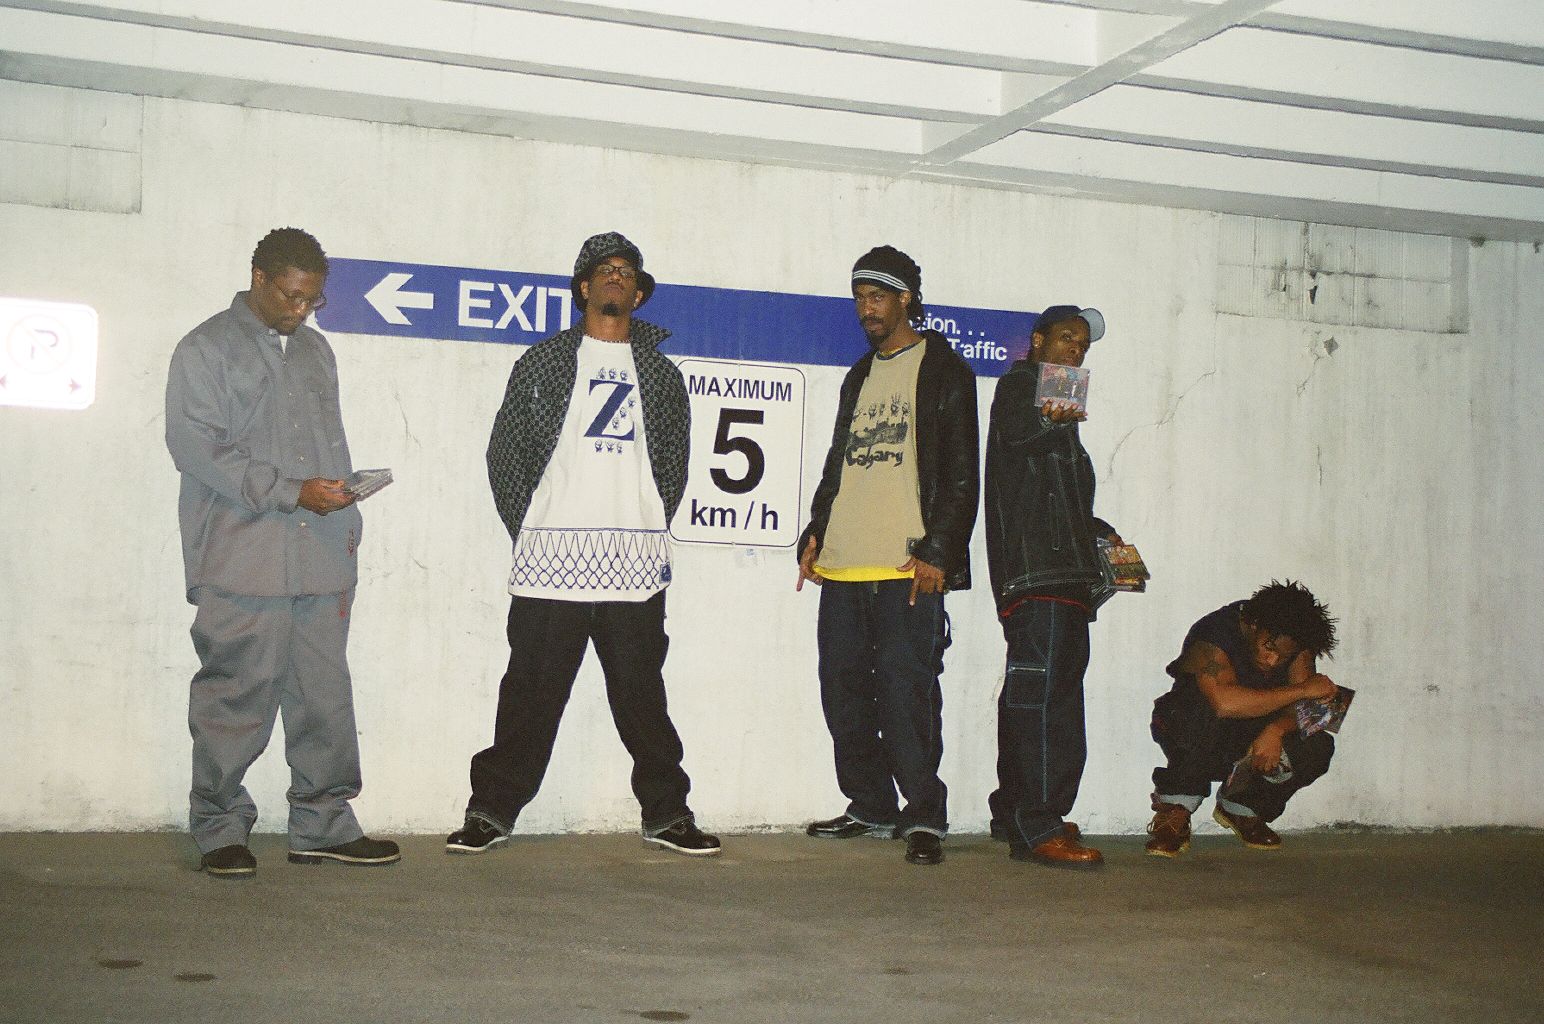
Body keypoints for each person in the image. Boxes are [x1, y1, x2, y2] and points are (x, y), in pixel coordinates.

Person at [446, 232, 720, 858]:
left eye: (628, 271)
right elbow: (505, 453)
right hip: (551, 566)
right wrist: (535, 528)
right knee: (529, 695)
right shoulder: (542, 362)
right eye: (605, 270)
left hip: (634, 566)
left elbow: (674, 464)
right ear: (584, 287)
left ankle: (667, 814)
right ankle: (490, 812)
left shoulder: (661, 374)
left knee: (643, 699)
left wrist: (644, 522)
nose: (617, 277)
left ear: (639, 293)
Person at [165, 227, 400, 878]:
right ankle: (218, 828)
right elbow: (196, 448)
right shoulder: (205, 348)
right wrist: (293, 492)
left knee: (325, 699)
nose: (301, 310)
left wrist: (343, 503)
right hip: (242, 559)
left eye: (312, 300)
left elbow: (328, 446)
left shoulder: (317, 353)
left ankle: (323, 824)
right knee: (234, 700)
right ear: (259, 279)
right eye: (291, 297)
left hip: (320, 558)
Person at [796, 246, 979, 867]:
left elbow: (962, 475)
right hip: (844, 563)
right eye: (859, 298)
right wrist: (816, 532)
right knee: (842, 694)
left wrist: (939, 552)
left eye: (877, 297)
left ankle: (924, 813)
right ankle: (871, 804)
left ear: (906, 298)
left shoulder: (944, 370)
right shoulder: (858, 376)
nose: (866, 309)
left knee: (908, 699)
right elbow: (839, 463)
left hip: (908, 568)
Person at [983, 304, 1118, 869]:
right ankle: (1038, 826)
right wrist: (1052, 418)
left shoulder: (1055, 414)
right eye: (1066, 338)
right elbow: (1021, 433)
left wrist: (1099, 533)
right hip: (1039, 576)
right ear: (1037, 341)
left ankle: (1015, 811)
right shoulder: (1023, 388)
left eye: (1082, 345)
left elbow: (1052, 496)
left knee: (1034, 697)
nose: (1076, 351)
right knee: (1048, 704)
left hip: (1057, 577)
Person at [1145, 581, 1340, 856]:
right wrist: (1301, 690)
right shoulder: (1214, 632)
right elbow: (1224, 703)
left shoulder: (1294, 642)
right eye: (1268, 648)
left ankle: (1241, 807)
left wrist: (1276, 730)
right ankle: (1175, 808)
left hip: (1253, 737)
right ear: (1252, 624)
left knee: (1317, 745)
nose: (1273, 660)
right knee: (1199, 713)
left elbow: (1312, 710)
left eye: (1283, 656)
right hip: (1196, 728)